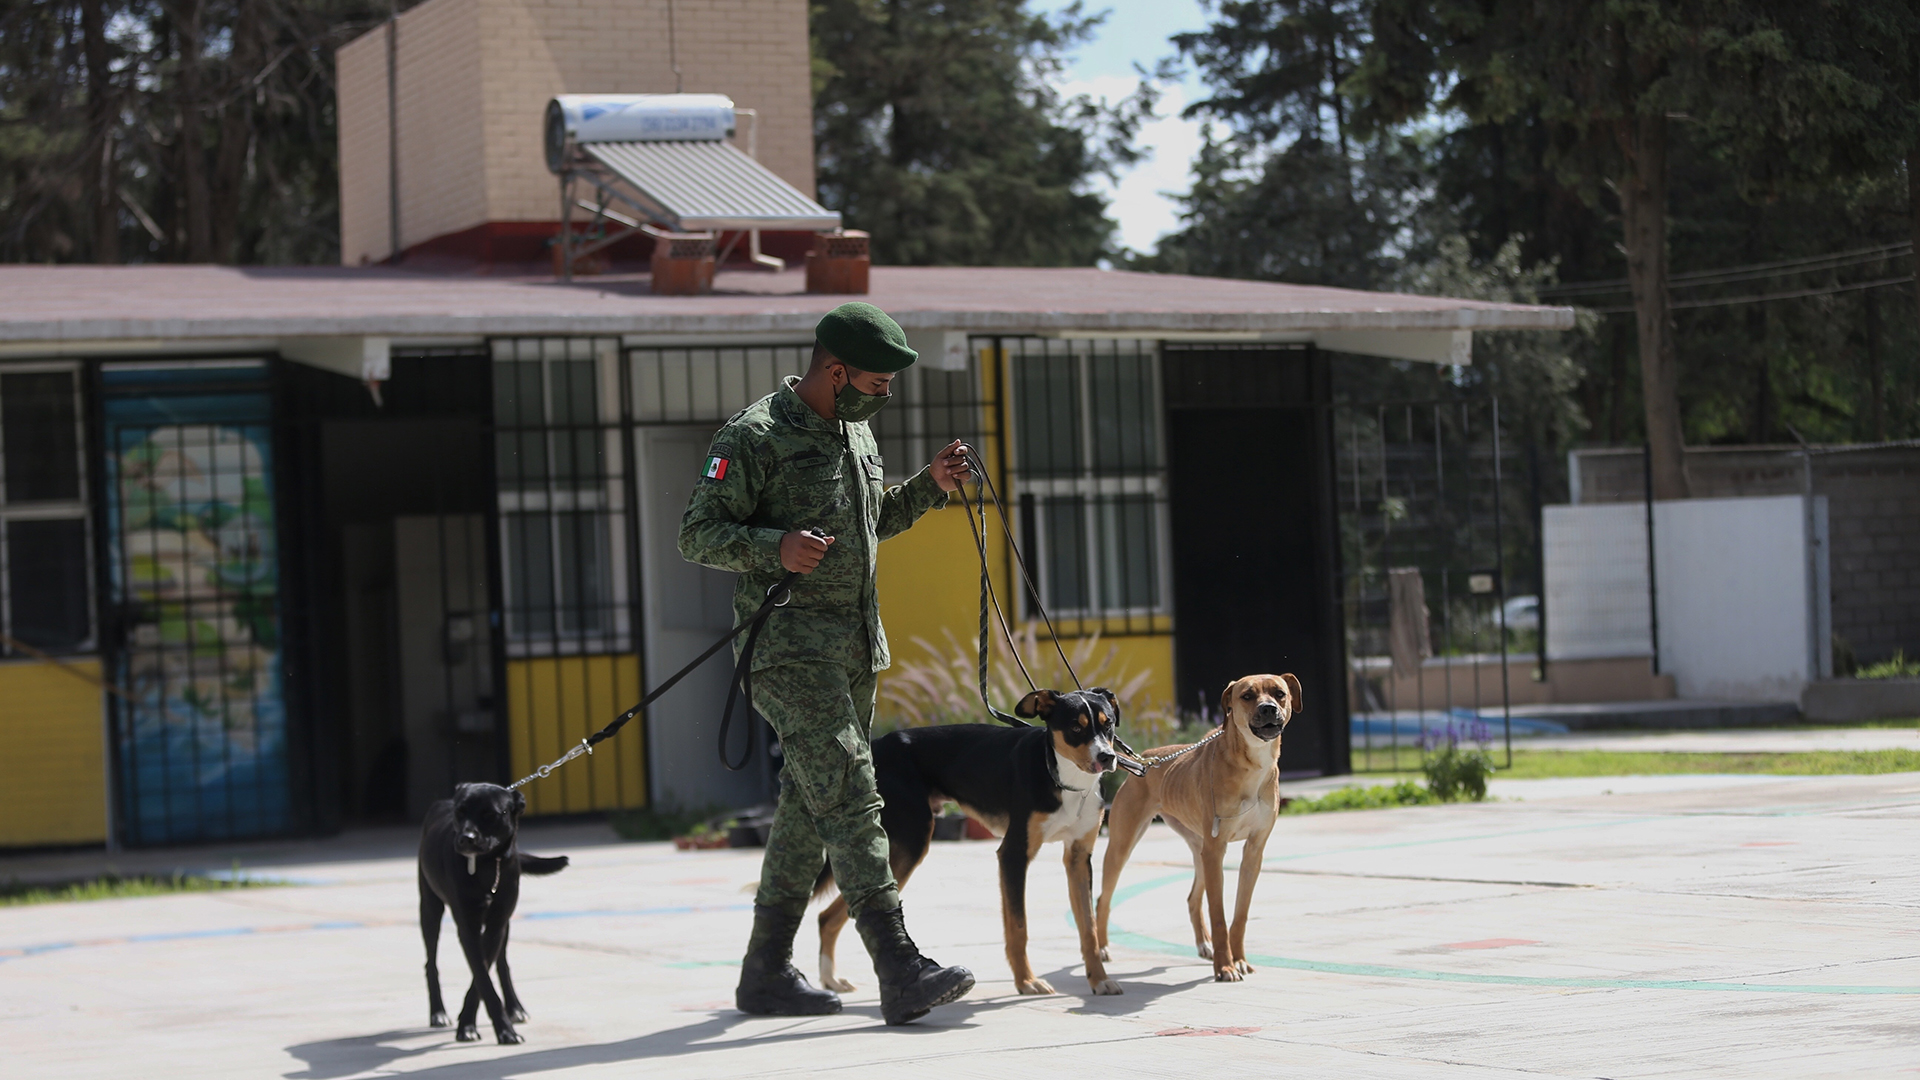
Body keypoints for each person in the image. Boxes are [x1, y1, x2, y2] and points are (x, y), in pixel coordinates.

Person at [678, 302, 976, 1026]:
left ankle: (765, 972)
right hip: (786, 653)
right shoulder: (754, 436)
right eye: (877, 382)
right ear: (835, 371)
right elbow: (697, 533)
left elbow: (873, 522)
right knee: (848, 790)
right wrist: (772, 547)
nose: (886, 395)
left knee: (810, 809)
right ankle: (897, 963)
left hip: (853, 653)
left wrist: (929, 486)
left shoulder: (856, 432)